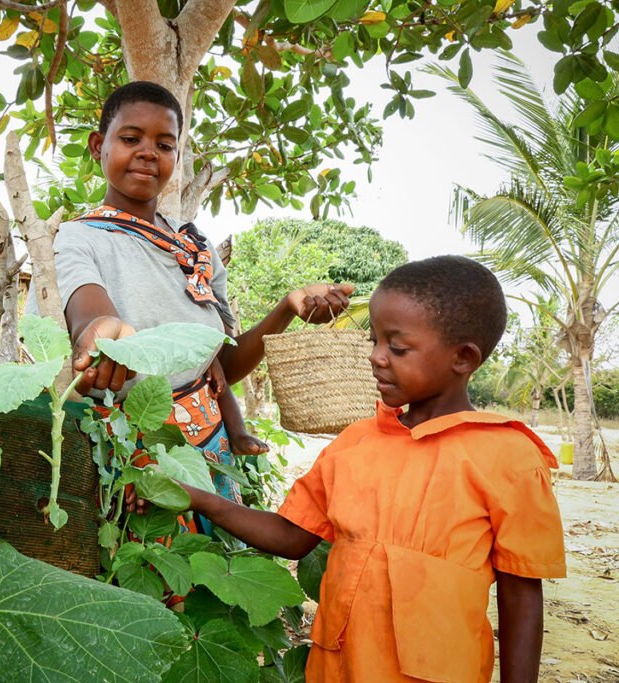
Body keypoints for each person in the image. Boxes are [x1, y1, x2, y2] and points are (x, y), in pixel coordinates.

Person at [131, 255, 566, 682]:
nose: (376, 357)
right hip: (334, 669)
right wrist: (198, 497)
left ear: (464, 358)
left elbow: (521, 594)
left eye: (397, 347)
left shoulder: (509, 458)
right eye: (373, 340)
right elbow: (291, 536)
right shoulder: (356, 442)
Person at [43, 79, 352, 517]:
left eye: (165, 144)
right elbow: (87, 309)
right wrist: (101, 330)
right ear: (98, 146)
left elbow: (224, 365)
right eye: (131, 139)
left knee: (215, 572)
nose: (148, 152)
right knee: (148, 573)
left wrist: (287, 306)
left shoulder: (196, 250)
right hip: (134, 458)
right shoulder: (77, 238)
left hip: (211, 451)